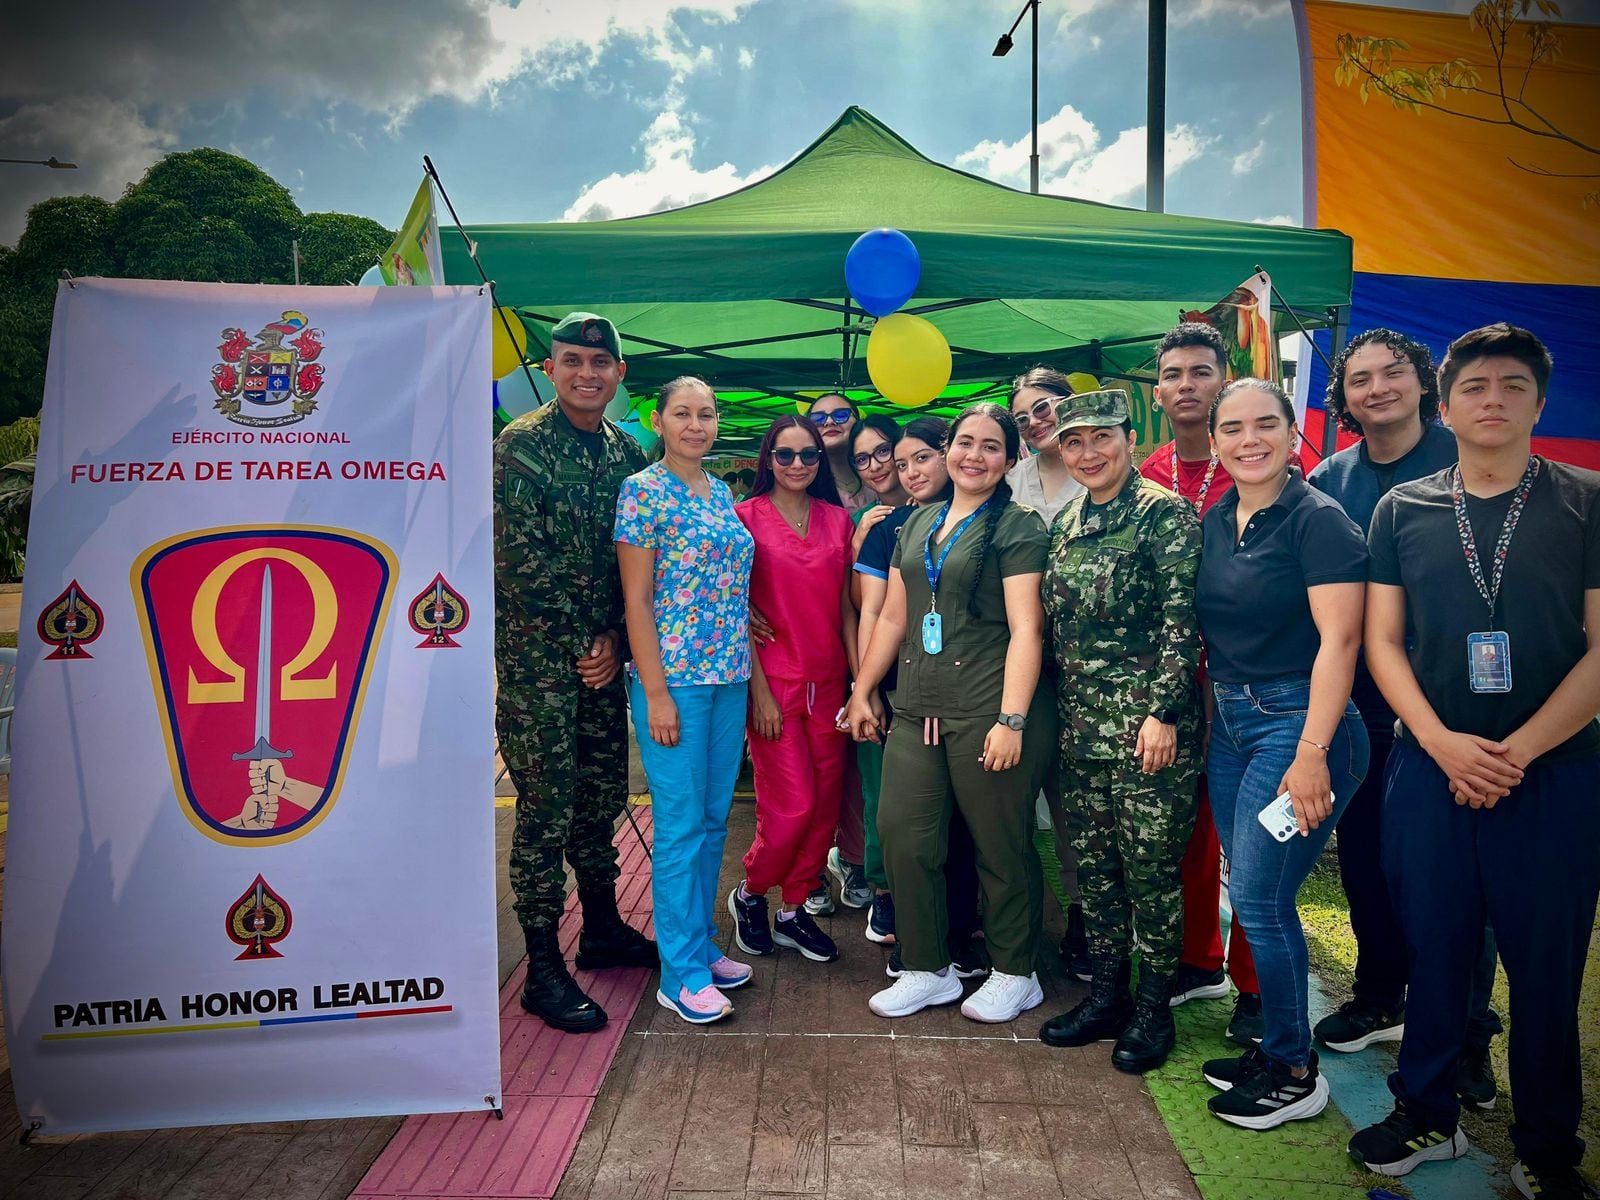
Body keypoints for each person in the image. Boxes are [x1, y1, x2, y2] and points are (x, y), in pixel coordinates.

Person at [1348, 325, 1600, 1200]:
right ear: (1445, 404)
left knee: (1544, 965)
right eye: (1476, 386)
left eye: (1514, 386)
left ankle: (1548, 1148)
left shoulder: (1585, 500)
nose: (1493, 400)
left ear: (1539, 402)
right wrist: (1443, 742)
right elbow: (1382, 643)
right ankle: (1428, 1112)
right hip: (1430, 766)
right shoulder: (1401, 509)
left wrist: (1518, 751)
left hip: (1556, 774)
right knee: (1438, 950)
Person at [1307, 331, 1503, 1098]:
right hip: (1362, 707)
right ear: (1345, 398)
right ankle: (1380, 994)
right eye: (1361, 379)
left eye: (1394, 373)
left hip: (1454, 707)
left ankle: (1467, 1035)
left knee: (1457, 880)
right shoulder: (1331, 478)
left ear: (1426, 383)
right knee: (1367, 863)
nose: (1379, 387)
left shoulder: (1469, 464)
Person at [1194, 378, 1369, 1129]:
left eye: (1265, 424)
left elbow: (1342, 641)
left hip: (1299, 728)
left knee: (1262, 899)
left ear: (1293, 430)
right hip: (1233, 728)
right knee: (1253, 890)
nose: (1248, 440)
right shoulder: (1217, 519)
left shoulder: (1317, 520)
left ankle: (1296, 1071)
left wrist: (1311, 753)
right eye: (1232, 428)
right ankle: (1277, 1043)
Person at [845, 403, 1055, 1023]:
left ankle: (1018, 971)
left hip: (992, 709)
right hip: (917, 709)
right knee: (905, 839)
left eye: (992, 446)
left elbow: (1027, 630)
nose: (974, 455)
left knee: (1000, 845)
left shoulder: (1019, 528)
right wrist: (863, 688)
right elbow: (891, 615)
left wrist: (1012, 720)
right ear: (948, 450)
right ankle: (925, 966)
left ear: (1010, 460)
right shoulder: (919, 524)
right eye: (965, 442)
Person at [495, 311, 657, 1034]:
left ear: (619, 373)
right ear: (550, 369)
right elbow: (517, 560)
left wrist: (619, 639)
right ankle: (542, 968)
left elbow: (642, 561)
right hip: (540, 670)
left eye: (600, 362)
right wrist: (586, 641)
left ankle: (600, 927)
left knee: (599, 795)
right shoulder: (520, 449)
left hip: (603, 661)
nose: (587, 373)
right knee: (544, 810)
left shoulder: (628, 455)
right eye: (572, 360)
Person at [1035, 389, 1203, 1074]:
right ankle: (1107, 996)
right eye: (1073, 442)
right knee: (1098, 877)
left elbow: (1182, 622)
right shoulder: (1068, 521)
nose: (1088, 453)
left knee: (1151, 877)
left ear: (1129, 439)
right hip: (1083, 733)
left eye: (1100, 438)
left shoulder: (1166, 515)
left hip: (1148, 735)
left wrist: (1163, 712)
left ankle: (1153, 1009)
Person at [616, 377, 756, 1025]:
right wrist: (654, 692)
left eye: (706, 412)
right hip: (673, 683)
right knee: (677, 829)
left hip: (729, 676)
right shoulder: (643, 490)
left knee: (712, 822)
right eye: (682, 413)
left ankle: (699, 945)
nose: (695, 424)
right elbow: (638, 600)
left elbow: (724, 582)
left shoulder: (721, 490)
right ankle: (682, 975)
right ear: (658, 420)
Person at [1139, 322, 1261, 1042]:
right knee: (1185, 830)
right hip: (1168, 683)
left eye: (1201, 373)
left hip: (1247, 682)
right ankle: (1197, 958)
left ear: (1224, 382)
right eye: (1175, 374)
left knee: (1251, 840)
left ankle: (1255, 983)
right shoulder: (1146, 472)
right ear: (1159, 392)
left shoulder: (1257, 465)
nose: (1187, 386)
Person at [852, 418, 985, 974]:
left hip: (971, 691)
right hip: (905, 688)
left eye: (921, 459)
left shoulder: (988, 518)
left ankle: (964, 931)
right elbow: (876, 612)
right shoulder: (891, 529)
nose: (910, 473)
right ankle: (917, 935)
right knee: (912, 823)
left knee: (967, 824)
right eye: (901, 465)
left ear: (950, 455)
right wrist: (868, 688)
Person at [727, 416, 859, 964]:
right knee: (790, 807)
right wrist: (757, 692)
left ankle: (794, 908)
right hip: (774, 684)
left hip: (831, 685)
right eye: (786, 455)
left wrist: (860, 687)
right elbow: (734, 611)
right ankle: (751, 894)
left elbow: (850, 609)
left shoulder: (839, 521)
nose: (799, 464)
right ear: (768, 459)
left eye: (808, 455)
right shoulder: (743, 518)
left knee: (824, 808)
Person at [1006, 367, 1092, 977]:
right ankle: (1011, 922)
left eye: (1046, 408)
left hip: (1085, 671)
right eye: (1024, 417)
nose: (1037, 422)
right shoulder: (1010, 482)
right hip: (1015, 663)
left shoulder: (1097, 474)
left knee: (1075, 804)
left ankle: (1085, 917)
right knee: (1009, 798)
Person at [807, 393, 874, 514]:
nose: (829, 422)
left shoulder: (880, 468)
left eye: (841, 415)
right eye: (818, 418)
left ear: (857, 421)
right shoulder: (805, 483)